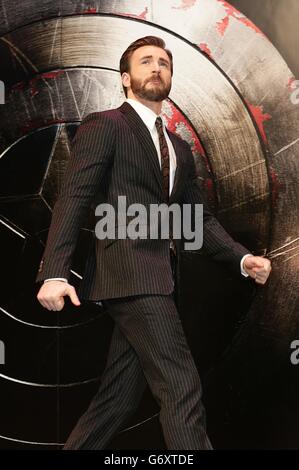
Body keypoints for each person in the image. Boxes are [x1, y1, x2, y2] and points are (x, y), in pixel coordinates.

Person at [36, 36, 271, 450]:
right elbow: (74, 196)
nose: (156, 67)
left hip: (158, 280)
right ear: (126, 79)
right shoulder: (106, 124)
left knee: (116, 400)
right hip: (129, 274)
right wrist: (54, 272)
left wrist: (241, 259)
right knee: (181, 385)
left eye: (163, 62)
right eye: (146, 62)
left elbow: (196, 218)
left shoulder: (179, 147)